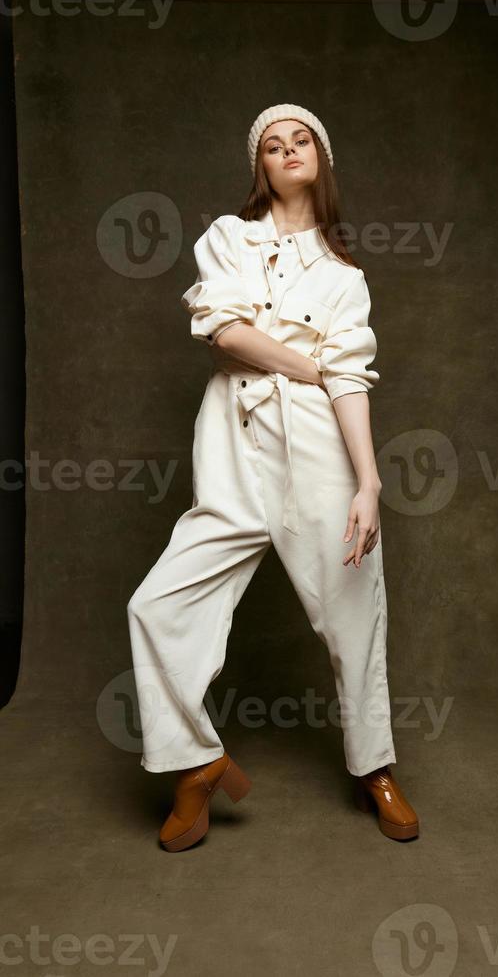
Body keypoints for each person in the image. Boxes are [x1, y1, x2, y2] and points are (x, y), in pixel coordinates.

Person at [127, 103, 419, 851]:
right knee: (156, 604)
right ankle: (194, 760)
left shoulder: (345, 274)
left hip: (317, 442)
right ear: (259, 166)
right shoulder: (230, 237)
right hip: (234, 435)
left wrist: (368, 483)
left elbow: (350, 380)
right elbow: (224, 330)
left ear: (322, 158)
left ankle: (374, 766)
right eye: (273, 145)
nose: (288, 151)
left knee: (354, 608)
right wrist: (309, 362)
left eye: (302, 141)